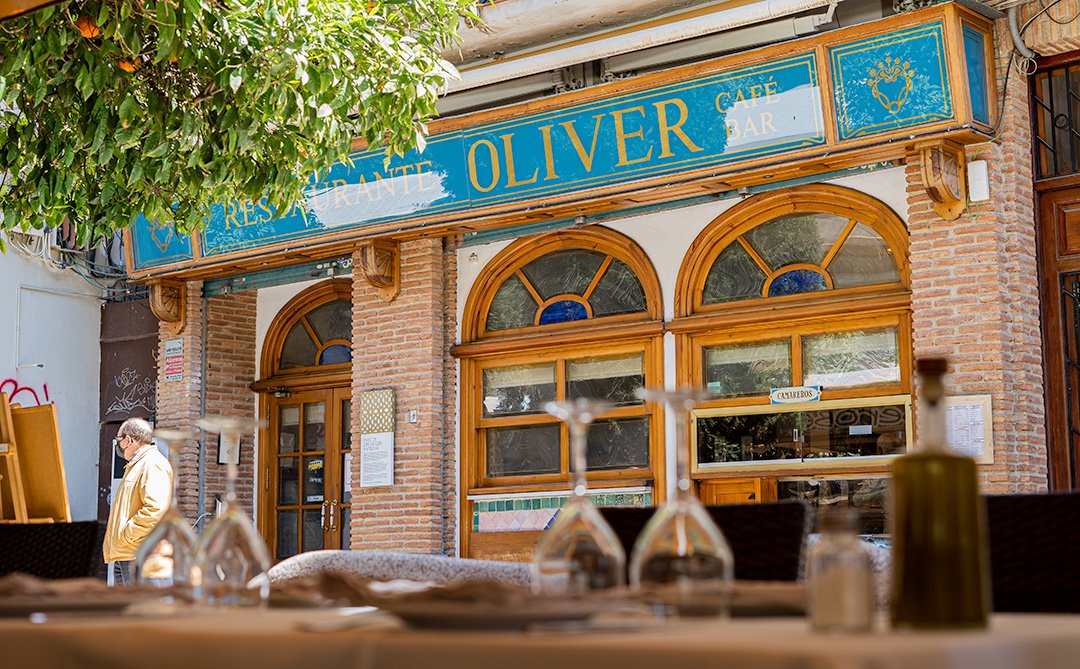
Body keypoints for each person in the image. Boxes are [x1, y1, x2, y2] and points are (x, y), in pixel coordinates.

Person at [102, 418, 172, 585]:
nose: (118, 445)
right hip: (125, 554)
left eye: (119, 440)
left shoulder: (152, 464)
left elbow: (155, 508)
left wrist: (127, 535)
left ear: (128, 439)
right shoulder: (136, 465)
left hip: (136, 553)